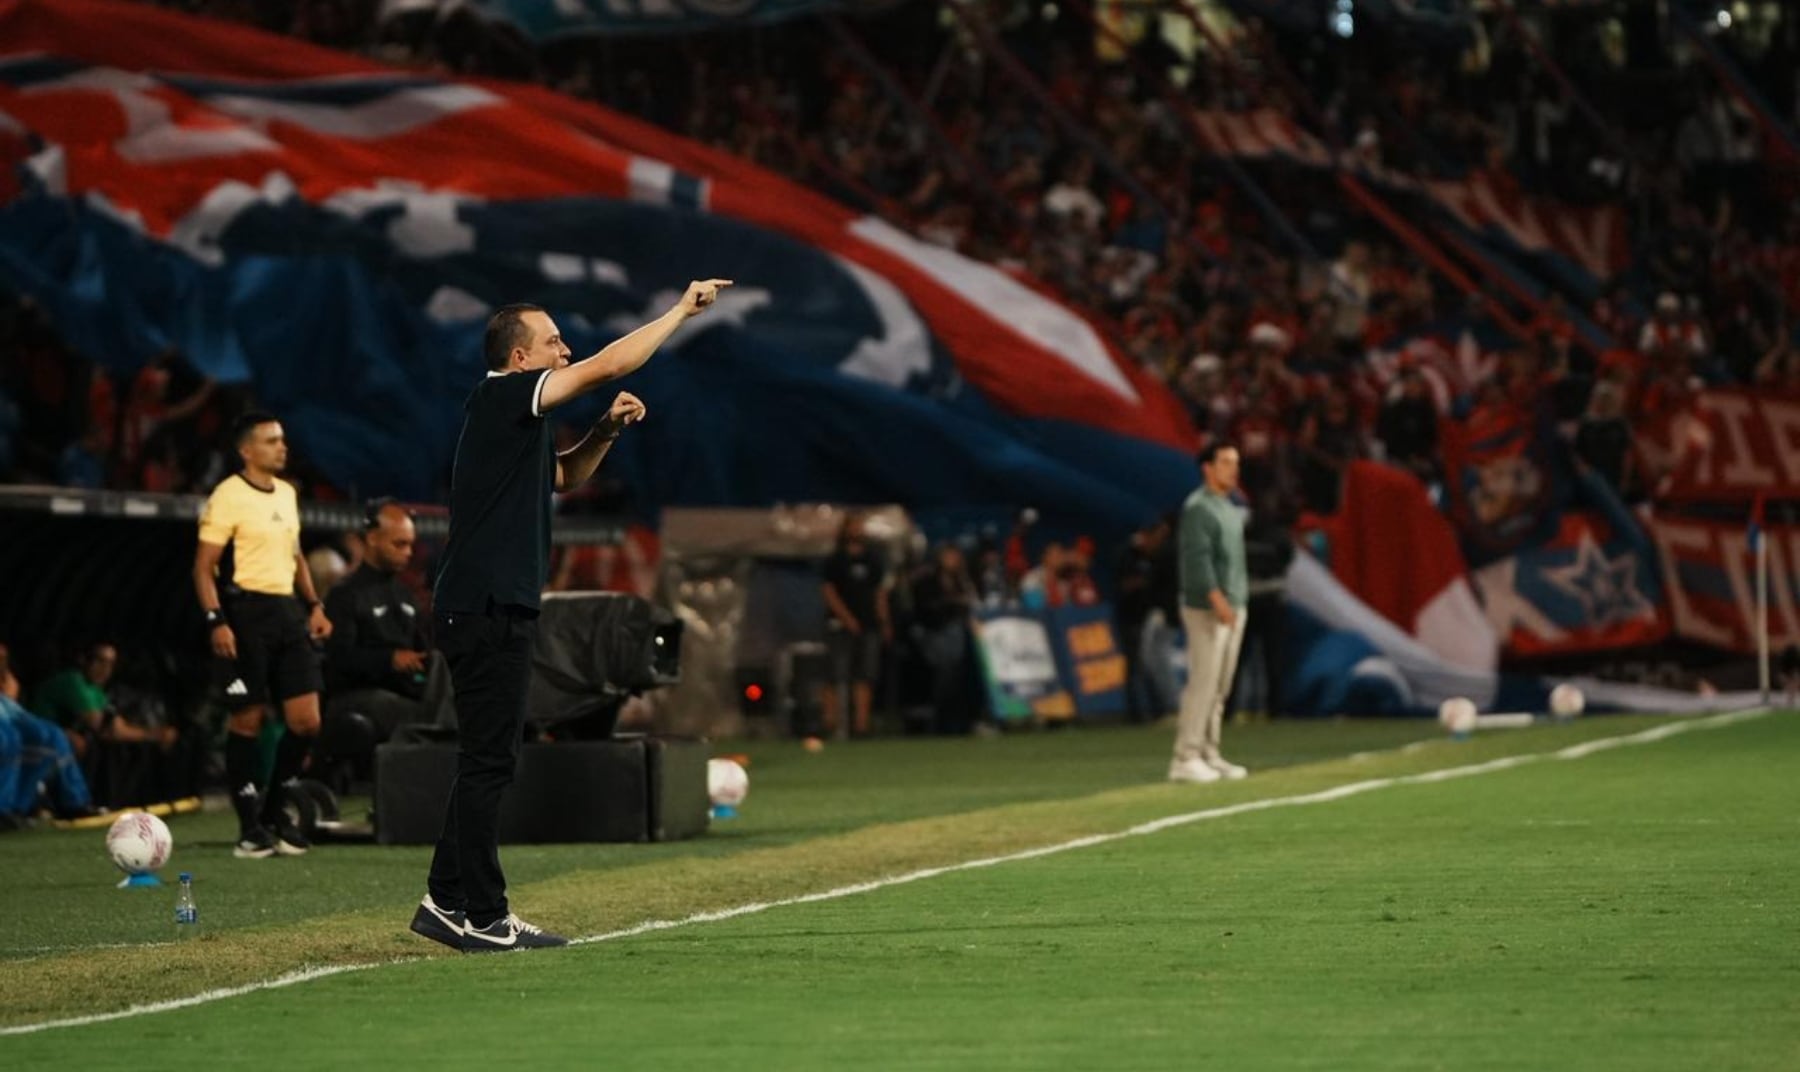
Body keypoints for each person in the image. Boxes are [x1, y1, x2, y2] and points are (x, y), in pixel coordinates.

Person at [410, 280, 730, 954]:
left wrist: (604, 432)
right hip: (485, 605)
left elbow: (564, 477)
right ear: (520, 359)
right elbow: (609, 364)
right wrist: (678, 311)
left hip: (490, 605)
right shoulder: (502, 394)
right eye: (554, 342)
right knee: (489, 761)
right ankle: (484, 914)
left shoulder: (512, 420)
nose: (566, 350)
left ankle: (446, 900)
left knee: (490, 758)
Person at [193, 411, 333, 859]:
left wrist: (314, 604)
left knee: (307, 722)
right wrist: (216, 620)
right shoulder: (227, 495)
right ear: (246, 450)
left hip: (287, 612)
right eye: (271, 441)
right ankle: (249, 828)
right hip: (244, 612)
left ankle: (274, 813)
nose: (282, 447)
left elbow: (296, 557)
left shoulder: (288, 494)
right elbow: (203, 568)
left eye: (282, 440)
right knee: (247, 720)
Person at [323, 499, 453, 746]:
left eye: (410, 544)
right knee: (423, 716)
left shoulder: (406, 596)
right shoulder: (345, 595)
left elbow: (421, 651)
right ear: (373, 538)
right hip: (358, 694)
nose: (408, 552)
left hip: (403, 692)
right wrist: (389, 660)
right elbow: (338, 659)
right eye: (399, 544)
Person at [1170, 442, 1250, 784]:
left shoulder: (1228, 507)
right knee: (1203, 683)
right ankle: (1185, 756)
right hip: (1207, 608)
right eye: (1226, 462)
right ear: (1207, 468)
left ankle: (1209, 752)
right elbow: (1197, 559)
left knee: (1220, 686)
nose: (1233, 469)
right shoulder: (1199, 508)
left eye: (1236, 462)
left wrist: (1236, 601)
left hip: (1233, 605)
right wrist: (1216, 598)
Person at [820, 513, 892, 738]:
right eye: (854, 526)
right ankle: (830, 723)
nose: (858, 531)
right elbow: (829, 592)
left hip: (868, 624)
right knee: (834, 673)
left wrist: (883, 620)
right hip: (838, 625)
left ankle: (861, 725)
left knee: (865, 674)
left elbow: (879, 593)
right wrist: (847, 618)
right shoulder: (835, 560)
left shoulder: (873, 559)